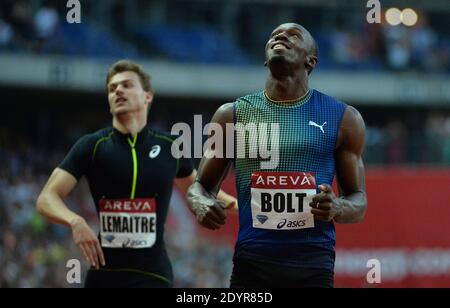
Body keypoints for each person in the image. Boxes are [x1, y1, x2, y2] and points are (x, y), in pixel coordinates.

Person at [187, 23, 368, 288]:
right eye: (274, 35)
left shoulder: (343, 118)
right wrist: (199, 203)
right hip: (252, 265)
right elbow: (200, 187)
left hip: (313, 265)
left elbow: (359, 200)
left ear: (311, 61)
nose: (280, 36)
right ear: (265, 59)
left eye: (294, 35)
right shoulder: (231, 115)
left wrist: (338, 207)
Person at [36, 59, 237, 288]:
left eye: (127, 85)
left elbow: (202, 191)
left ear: (147, 96)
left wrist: (249, 209)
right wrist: (75, 221)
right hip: (105, 274)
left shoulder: (171, 146)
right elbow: (46, 198)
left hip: (153, 275)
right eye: (112, 88)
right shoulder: (91, 146)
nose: (118, 90)